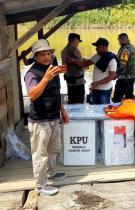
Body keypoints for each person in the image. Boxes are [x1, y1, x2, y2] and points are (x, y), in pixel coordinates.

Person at [24, 39, 69, 196]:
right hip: (39, 121)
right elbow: (32, 95)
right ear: (35, 56)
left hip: (53, 117)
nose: (46, 57)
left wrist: (62, 111)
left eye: (48, 53)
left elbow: (56, 91)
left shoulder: (52, 69)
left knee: (53, 150)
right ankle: (40, 185)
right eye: (42, 54)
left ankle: (50, 174)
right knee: (40, 154)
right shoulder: (32, 73)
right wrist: (45, 79)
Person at [67, 37, 117, 104]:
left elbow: (111, 76)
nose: (96, 48)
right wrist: (73, 60)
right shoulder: (96, 56)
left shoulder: (112, 59)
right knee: (95, 109)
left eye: (98, 47)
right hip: (95, 88)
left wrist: (97, 83)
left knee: (103, 110)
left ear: (104, 47)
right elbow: (85, 64)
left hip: (104, 90)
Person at [61, 33, 86, 104]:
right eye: (78, 41)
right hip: (77, 82)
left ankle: (71, 114)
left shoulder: (64, 50)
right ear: (75, 40)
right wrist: (85, 65)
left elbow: (71, 63)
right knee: (78, 102)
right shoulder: (73, 50)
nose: (78, 43)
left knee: (72, 100)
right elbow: (80, 65)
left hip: (69, 80)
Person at [113, 33, 135, 103]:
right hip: (132, 77)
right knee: (129, 97)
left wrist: (114, 72)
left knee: (117, 98)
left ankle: (117, 112)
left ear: (122, 40)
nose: (119, 42)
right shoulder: (132, 47)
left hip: (124, 78)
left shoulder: (125, 50)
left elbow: (122, 64)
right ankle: (130, 111)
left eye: (120, 40)